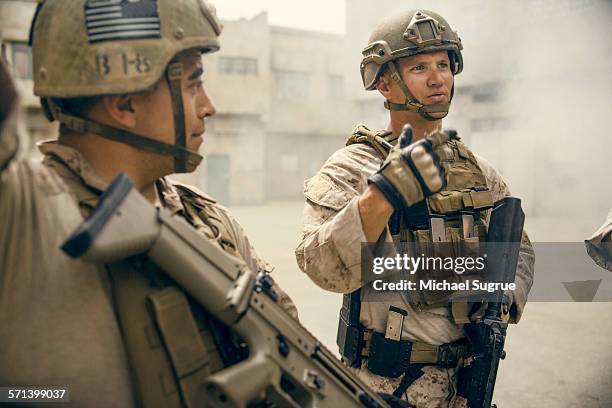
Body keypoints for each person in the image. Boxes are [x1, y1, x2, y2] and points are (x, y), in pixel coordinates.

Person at [0, 1, 296, 406]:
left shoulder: (210, 222)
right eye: (193, 84)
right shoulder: (24, 211)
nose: (209, 106)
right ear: (124, 104)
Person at [295, 10, 535, 408]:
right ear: (385, 83)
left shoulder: (478, 171)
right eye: (420, 66)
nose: (437, 78)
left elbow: (520, 250)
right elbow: (318, 264)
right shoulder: (352, 167)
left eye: (444, 64)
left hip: (462, 384)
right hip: (382, 387)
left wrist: (502, 293)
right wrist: (383, 195)